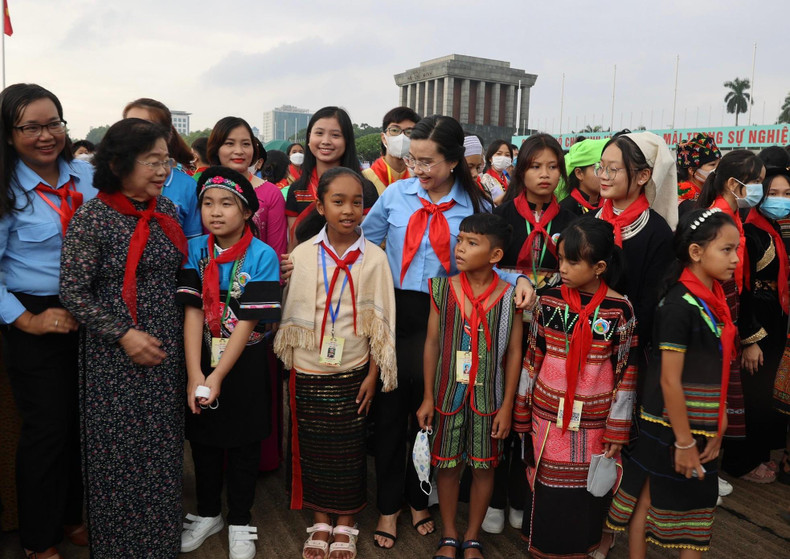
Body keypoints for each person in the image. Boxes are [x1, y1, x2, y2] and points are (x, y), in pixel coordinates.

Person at [361, 114, 536, 549]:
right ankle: (388, 506)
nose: (417, 170)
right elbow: (363, 245)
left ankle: (418, 499)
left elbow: (492, 262)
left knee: (430, 418)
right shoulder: (396, 195)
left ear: (455, 160)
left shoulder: (477, 207)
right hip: (398, 313)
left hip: (449, 317)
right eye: (413, 160)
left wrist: (521, 280)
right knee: (390, 415)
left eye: (428, 162)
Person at [59, 118, 188, 557]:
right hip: (113, 360)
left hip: (166, 353)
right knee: (117, 458)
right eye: (151, 161)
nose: (162, 170)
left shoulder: (166, 211)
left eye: (165, 160)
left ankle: (160, 546)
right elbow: (72, 291)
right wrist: (124, 335)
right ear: (117, 165)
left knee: (162, 452)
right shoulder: (92, 218)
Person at [274, 167, 397, 559]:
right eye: (338, 201)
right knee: (311, 445)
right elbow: (287, 307)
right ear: (320, 206)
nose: (348, 210)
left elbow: (382, 325)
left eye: (356, 202)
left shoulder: (374, 258)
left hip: (354, 368)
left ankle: (345, 521)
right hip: (307, 367)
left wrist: (373, 374)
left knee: (349, 449)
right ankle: (320, 519)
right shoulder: (302, 255)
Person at [607, 208, 739, 557]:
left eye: (736, 249)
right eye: (727, 250)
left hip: (701, 419)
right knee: (648, 497)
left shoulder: (712, 299)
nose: (736, 259)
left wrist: (720, 418)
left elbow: (713, 368)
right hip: (671, 423)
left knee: (697, 504)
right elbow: (669, 379)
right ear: (696, 252)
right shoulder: (679, 305)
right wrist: (683, 441)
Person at [0, 83, 94, 559]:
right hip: (35, 313)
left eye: (53, 123)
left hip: (90, 312)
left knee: (82, 423)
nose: (45, 136)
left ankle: (73, 515)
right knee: (47, 429)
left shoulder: (88, 176)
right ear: (8, 133)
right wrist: (26, 321)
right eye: (30, 127)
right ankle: (38, 540)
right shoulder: (4, 188)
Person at [514, 218, 637, 558]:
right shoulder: (548, 301)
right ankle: (543, 548)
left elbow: (626, 372)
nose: (563, 268)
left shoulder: (619, 310)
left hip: (595, 420)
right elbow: (532, 357)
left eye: (572, 261)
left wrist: (617, 428)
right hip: (546, 414)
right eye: (561, 259)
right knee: (546, 480)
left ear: (599, 267)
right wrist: (522, 409)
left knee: (585, 486)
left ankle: (580, 548)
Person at [178, 167, 281, 559]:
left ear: (247, 212)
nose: (215, 211)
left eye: (226, 204)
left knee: (244, 442)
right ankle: (208, 514)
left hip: (245, 360)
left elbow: (249, 322)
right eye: (207, 203)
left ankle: (239, 518)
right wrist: (195, 374)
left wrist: (218, 374)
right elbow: (191, 313)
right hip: (202, 354)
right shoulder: (195, 250)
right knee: (203, 439)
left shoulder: (262, 255)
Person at [417, 213, 523, 559]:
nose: (460, 248)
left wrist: (507, 406)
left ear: (495, 255)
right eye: (460, 240)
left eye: (472, 243)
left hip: (490, 399)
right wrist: (428, 396)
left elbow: (514, 353)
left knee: (483, 466)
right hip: (447, 395)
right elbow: (432, 343)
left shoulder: (509, 297)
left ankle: (473, 536)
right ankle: (449, 533)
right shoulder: (442, 289)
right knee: (447, 466)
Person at [722, 149, 788, 484]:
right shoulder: (748, 232)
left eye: (786, 193)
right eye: (772, 192)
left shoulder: (773, 228)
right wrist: (750, 338)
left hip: (774, 320)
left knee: (764, 394)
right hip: (757, 323)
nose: (780, 199)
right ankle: (743, 462)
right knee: (752, 395)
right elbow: (743, 290)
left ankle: (759, 455)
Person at [697, 150, 765, 448]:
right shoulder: (716, 220)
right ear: (734, 184)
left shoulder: (732, 215)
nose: (760, 189)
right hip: (715, 310)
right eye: (757, 181)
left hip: (727, 308)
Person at [594, 132, 676, 374]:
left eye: (613, 169)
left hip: (630, 349)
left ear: (643, 176)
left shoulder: (657, 232)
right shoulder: (589, 223)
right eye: (601, 167)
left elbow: (650, 304)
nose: (603, 176)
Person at [496, 133, 577, 294]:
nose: (545, 174)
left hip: (554, 303)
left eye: (552, 167)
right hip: (508, 300)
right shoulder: (500, 216)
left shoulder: (571, 221)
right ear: (521, 171)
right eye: (535, 166)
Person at [285, 107, 378, 248]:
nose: (326, 141)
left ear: (347, 140)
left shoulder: (365, 189)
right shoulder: (297, 189)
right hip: (306, 261)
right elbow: (293, 242)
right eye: (319, 133)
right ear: (309, 138)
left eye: (335, 135)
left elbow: (370, 240)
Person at [206, 116, 287, 257]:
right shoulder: (204, 190)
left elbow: (277, 252)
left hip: (261, 270)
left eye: (246, 144)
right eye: (230, 143)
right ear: (216, 149)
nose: (239, 151)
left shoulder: (271, 193)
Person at [123, 98, 202, 238]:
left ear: (168, 136)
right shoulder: (109, 183)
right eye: (128, 127)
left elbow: (192, 242)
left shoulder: (187, 186)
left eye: (145, 129)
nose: (135, 136)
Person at [362, 106, 420, 194]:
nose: (402, 137)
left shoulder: (419, 177)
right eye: (395, 130)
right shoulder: (366, 177)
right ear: (384, 138)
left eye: (409, 132)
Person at [559, 138, 608, 216]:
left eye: (608, 168)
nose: (605, 175)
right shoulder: (565, 211)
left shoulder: (611, 205)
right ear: (579, 173)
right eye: (598, 168)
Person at [676, 133, 721, 213]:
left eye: (719, 164)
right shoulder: (683, 194)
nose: (717, 169)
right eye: (712, 165)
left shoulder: (713, 189)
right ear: (691, 170)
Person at [479, 140, 513, 206]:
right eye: (499, 154)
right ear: (490, 158)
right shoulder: (485, 180)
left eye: (507, 155)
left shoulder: (507, 180)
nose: (503, 157)